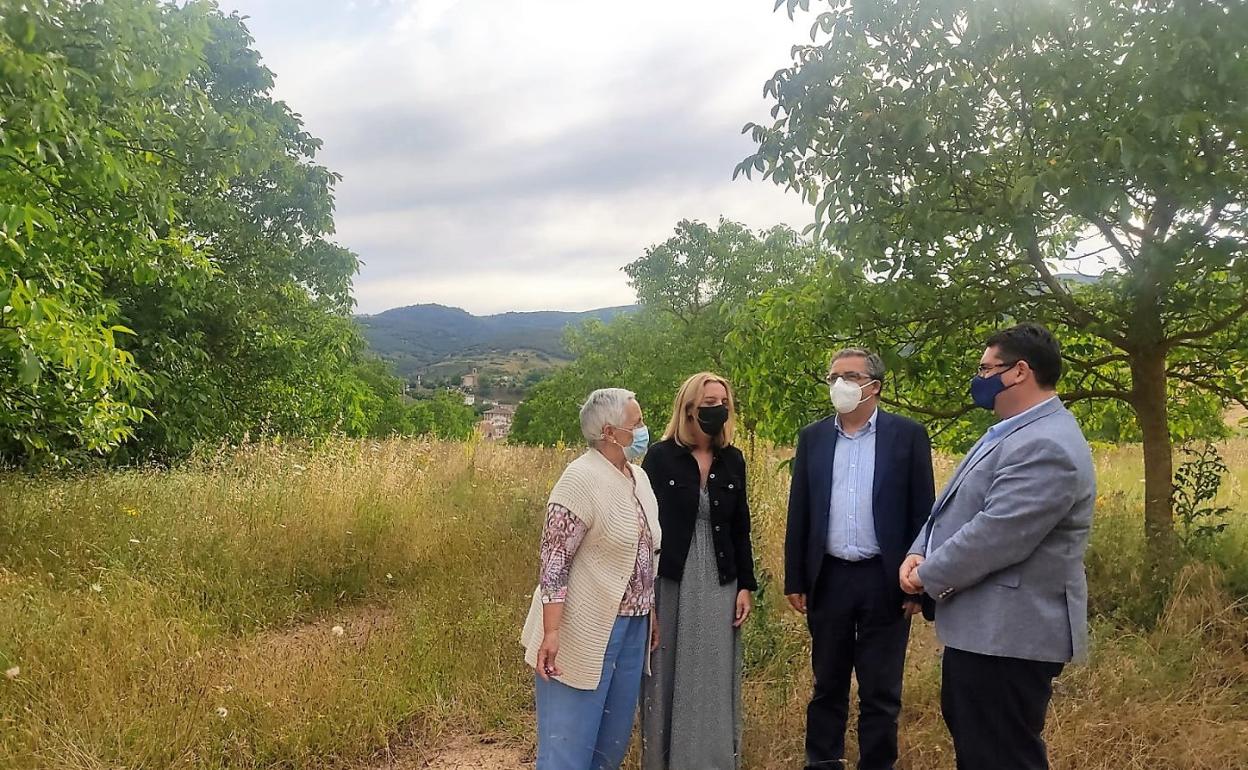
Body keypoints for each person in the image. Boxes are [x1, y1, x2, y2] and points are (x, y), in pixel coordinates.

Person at [900, 323, 1095, 770]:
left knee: (1001, 756)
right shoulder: (1011, 430)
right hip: (987, 634)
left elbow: (995, 535)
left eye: (986, 368)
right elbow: (951, 506)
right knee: (980, 750)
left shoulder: (1048, 444)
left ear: (1019, 371)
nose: (979, 378)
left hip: (1009, 638)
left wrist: (925, 577)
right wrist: (918, 549)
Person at [785, 348, 936, 770]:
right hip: (829, 577)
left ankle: (877, 763)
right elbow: (801, 510)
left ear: (875, 386)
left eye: (850, 376)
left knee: (881, 690)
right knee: (827, 684)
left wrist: (919, 585)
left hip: (885, 579)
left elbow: (924, 512)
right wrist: (795, 577)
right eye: (833, 377)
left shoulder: (907, 435)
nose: (840, 385)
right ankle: (822, 762)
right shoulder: (814, 437)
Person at [520, 387, 662, 770]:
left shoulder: (639, 478)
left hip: (633, 626)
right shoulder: (579, 479)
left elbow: (648, 553)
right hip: (580, 627)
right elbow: (554, 561)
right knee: (568, 744)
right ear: (609, 431)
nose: (644, 429)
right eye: (637, 423)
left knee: (609, 743)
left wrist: (650, 613)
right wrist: (552, 632)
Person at [641, 372, 758, 770]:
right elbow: (643, 528)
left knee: (713, 673)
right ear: (688, 408)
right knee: (667, 671)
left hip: (720, 581)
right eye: (708, 402)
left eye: (722, 402)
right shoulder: (660, 457)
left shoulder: (733, 459)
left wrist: (747, 585)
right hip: (671, 579)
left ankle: (711, 761)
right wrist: (644, 593)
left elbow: (741, 526)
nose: (717, 410)